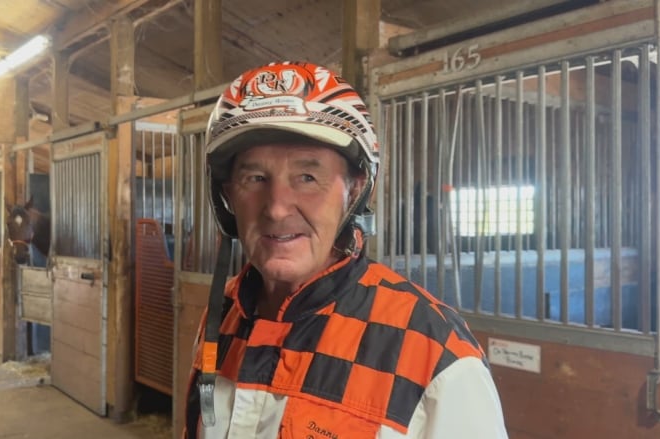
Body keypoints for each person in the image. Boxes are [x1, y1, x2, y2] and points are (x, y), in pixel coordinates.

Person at [185, 61, 508, 438]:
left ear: (353, 191)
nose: (275, 207)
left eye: (308, 177)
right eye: (255, 178)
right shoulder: (221, 315)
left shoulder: (435, 353)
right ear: (227, 196)